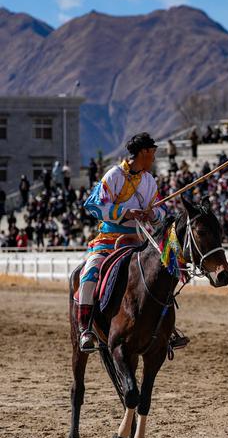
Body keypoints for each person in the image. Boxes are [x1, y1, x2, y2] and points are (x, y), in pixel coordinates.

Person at [77, 133, 188, 353]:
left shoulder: (149, 180)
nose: (154, 159)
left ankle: (168, 328)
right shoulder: (114, 175)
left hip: (140, 239)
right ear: (143, 153)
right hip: (110, 239)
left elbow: (160, 209)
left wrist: (152, 214)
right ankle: (86, 328)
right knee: (89, 273)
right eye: (152, 153)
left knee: (163, 272)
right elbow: (92, 206)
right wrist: (125, 212)